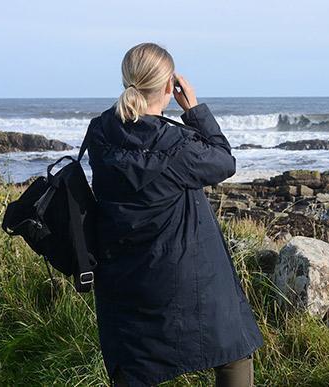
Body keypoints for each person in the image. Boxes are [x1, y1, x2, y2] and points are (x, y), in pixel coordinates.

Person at [86, 42, 264, 387]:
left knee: (133, 361)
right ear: (170, 86)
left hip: (123, 273)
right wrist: (193, 109)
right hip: (180, 273)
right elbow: (224, 161)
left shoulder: (99, 132)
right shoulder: (176, 146)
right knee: (232, 348)